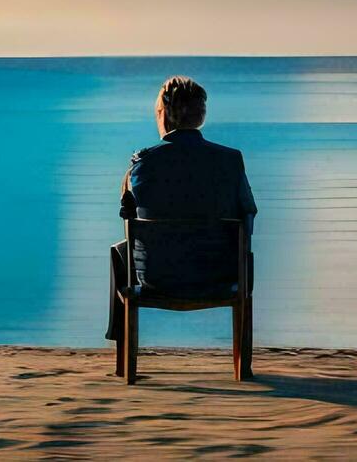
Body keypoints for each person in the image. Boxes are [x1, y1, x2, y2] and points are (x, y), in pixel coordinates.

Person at [106, 76, 257, 373]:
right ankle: (243, 367)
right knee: (244, 251)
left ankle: (121, 348)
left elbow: (127, 213)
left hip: (157, 277)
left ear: (164, 113)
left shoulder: (143, 163)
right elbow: (248, 214)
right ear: (201, 115)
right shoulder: (230, 160)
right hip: (220, 275)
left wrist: (130, 173)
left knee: (120, 250)